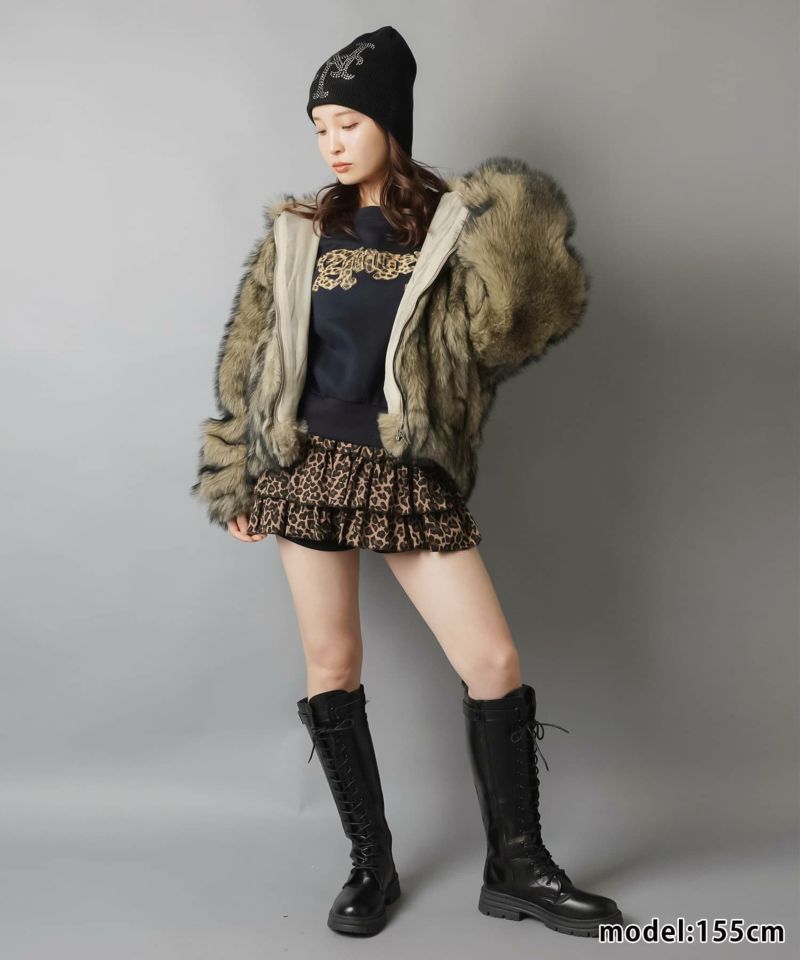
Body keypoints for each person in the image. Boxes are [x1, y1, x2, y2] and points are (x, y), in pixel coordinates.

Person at [191, 24, 622, 940]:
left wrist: (512, 223)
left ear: (391, 121)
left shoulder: (456, 228)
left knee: (493, 663)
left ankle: (517, 865)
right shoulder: (299, 233)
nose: (332, 143)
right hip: (306, 468)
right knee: (332, 666)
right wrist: (239, 471)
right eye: (320, 128)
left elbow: (515, 333)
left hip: (404, 472)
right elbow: (256, 361)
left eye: (348, 122)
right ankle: (370, 863)